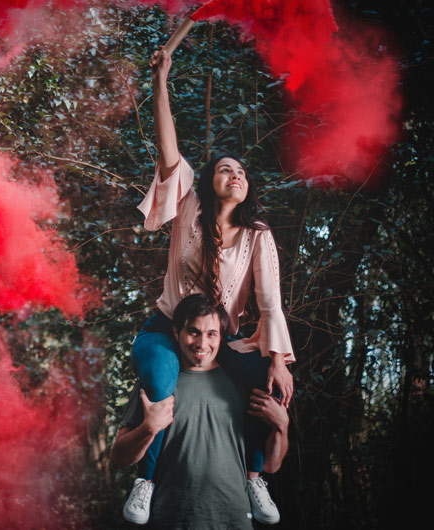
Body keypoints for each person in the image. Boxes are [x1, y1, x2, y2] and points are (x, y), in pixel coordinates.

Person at [121, 47, 296, 525]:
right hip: (168, 327)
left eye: (241, 172)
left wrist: (277, 362)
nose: (234, 174)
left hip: (221, 338)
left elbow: (269, 303)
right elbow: (167, 146)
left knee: (264, 387)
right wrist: (160, 80)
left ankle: (254, 478)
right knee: (158, 379)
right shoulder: (187, 207)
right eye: (225, 168)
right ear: (209, 180)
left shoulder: (259, 236)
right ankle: (147, 482)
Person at [111, 294, 290, 529]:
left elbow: (271, 465)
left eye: (211, 334)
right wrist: (148, 429)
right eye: (193, 332)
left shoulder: (244, 384)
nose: (202, 344)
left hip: (235, 522)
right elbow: (118, 458)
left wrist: (282, 426)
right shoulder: (157, 384)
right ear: (176, 332)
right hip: (170, 521)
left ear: (222, 337)